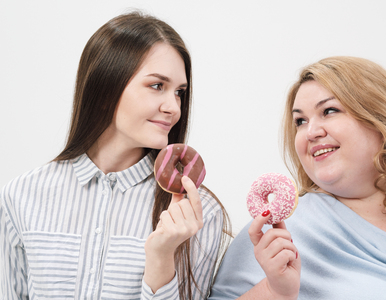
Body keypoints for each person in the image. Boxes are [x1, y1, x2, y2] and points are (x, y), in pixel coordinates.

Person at [0, 11, 231, 300]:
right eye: (157, 86)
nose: (174, 107)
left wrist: (161, 258)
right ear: (106, 85)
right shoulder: (22, 196)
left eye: (179, 92)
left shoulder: (199, 214)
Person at [209, 56, 386, 300]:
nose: (311, 132)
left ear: (381, 119)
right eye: (300, 121)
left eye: (329, 111)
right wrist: (274, 292)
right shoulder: (277, 233)